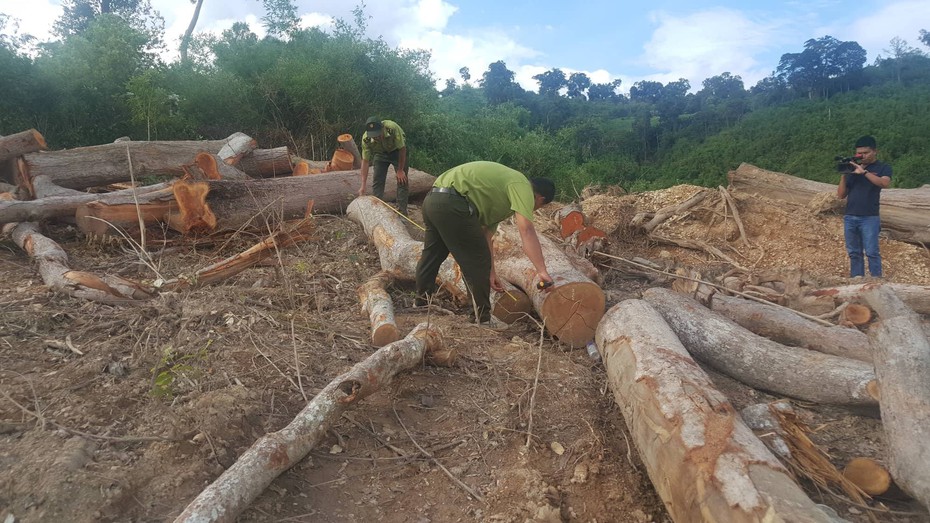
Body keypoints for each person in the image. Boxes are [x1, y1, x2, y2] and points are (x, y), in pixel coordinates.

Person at [414, 161, 555, 327]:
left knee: (433, 254)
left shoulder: (498, 197)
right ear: (540, 199)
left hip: (433, 200)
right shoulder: (522, 185)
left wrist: (491, 273)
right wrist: (542, 271)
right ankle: (482, 318)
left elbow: (485, 236)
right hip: (454, 204)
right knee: (476, 262)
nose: (532, 209)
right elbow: (527, 230)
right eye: (537, 207)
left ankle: (421, 302)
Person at [836, 135, 892, 278]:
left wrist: (864, 172)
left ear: (875, 151)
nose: (862, 156)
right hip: (850, 216)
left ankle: (876, 281)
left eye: (865, 153)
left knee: (872, 252)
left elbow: (884, 183)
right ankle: (857, 281)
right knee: (854, 252)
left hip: (869, 217)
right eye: (859, 153)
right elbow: (841, 195)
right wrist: (844, 174)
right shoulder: (854, 169)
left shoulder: (883, 167)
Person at [357, 116, 409, 215]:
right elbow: (365, 161)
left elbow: (402, 149)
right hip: (380, 154)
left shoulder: (392, 128)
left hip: (397, 152)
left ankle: (402, 212)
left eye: (377, 134)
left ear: (382, 128)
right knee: (377, 180)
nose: (376, 137)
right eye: (373, 136)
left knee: (402, 180)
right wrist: (363, 185)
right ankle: (377, 210)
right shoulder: (366, 139)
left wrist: (400, 170)